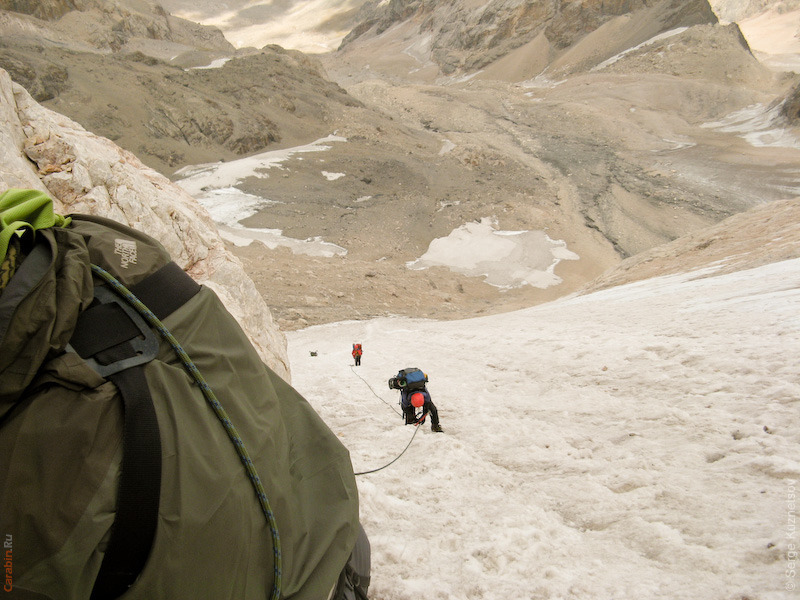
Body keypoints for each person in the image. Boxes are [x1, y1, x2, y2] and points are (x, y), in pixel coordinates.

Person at [388, 368, 443, 432]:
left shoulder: (426, 397)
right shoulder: (406, 397)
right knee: (412, 413)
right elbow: (405, 407)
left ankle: (435, 426)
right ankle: (435, 427)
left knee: (431, 409)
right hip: (410, 390)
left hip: (416, 391)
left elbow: (433, 410)